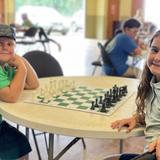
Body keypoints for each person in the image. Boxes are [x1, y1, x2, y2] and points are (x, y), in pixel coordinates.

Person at [111, 30, 160, 159]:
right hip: (147, 153)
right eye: (154, 50)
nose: (157, 58)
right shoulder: (152, 83)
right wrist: (138, 118)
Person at [0, 24, 39, 159]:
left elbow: (34, 84)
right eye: (0, 43)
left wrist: (20, 59)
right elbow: (11, 96)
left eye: (10, 44)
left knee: (22, 144)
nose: (5, 47)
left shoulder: (7, 68)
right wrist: (22, 69)